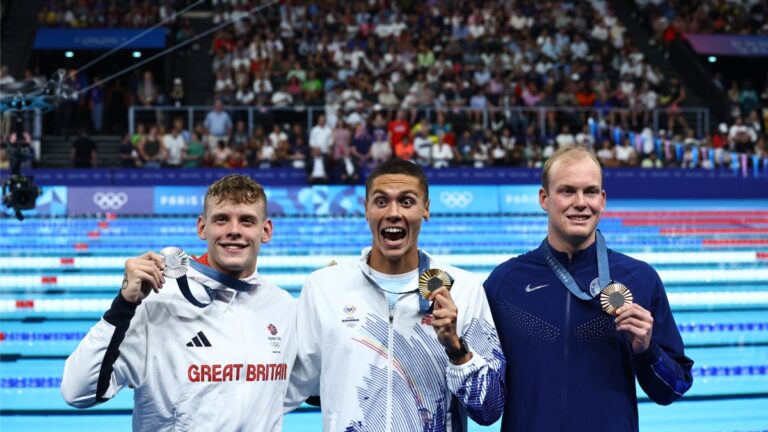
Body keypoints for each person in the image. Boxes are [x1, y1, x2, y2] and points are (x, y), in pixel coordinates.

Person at [61, 174, 297, 431]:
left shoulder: (282, 306)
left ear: (266, 231)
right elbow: (78, 391)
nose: (234, 230)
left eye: (247, 221)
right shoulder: (158, 300)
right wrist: (124, 305)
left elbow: (308, 387)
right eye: (221, 219)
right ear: (201, 227)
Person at [484, 146, 693, 432]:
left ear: (603, 200)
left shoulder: (640, 279)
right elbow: (483, 400)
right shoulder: (505, 283)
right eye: (567, 191)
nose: (581, 202)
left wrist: (647, 351)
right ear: (544, 199)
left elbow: (674, 387)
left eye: (590, 191)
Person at [286, 159, 505, 430]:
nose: (393, 212)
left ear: (426, 209)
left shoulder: (464, 289)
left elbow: (490, 409)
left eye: (406, 201)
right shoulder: (324, 288)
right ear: (366, 210)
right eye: (381, 202)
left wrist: (456, 349)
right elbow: (290, 387)